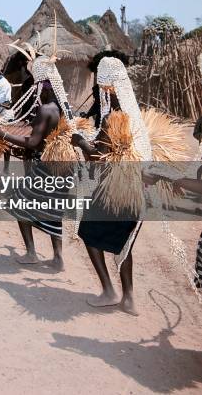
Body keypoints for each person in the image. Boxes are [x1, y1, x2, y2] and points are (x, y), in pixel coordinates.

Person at [70, 56, 152, 315]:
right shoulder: (136, 116)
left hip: (113, 193)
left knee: (87, 232)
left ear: (105, 84)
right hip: (135, 193)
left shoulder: (112, 119)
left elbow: (98, 159)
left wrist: (80, 142)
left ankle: (108, 290)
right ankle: (128, 299)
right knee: (124, 245)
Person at [0, 79, 64, 269]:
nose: (34, 93)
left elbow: (33, 142)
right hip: (56, 167)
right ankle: (58, 257)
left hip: (42, 167)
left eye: (36, 89)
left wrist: (2, 134)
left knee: (18, 205)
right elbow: (42, 139)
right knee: (53, 211)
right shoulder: (60, 108)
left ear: (43, 89)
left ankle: (31, 253)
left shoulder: (45, 109)